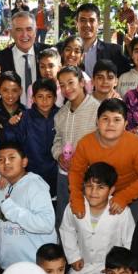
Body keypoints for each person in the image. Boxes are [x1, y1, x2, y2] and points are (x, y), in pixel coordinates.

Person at [68, 99, 138, 220]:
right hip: (96, 193)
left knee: (134, 229)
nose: (110, 124)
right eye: (105, 119)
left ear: (125, 124)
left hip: (131, 195)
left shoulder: (137, 145)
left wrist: (124, 197)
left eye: (117, 120)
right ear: (97, 122)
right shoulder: (85, 143)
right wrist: (77, 199)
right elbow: (76, 172)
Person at [59, 162, 135, 274]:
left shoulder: (122, 211)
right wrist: (73, 256)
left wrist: (117, 267)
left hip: (109, 273)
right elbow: (67, 230)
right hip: (81, 269)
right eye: (89, 186)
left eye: (101, 187)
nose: (93, 192)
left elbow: (129, 241)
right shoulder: (75, 205)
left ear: (111, 190)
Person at [0, 141, 57, 270]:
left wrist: (12, 210)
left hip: (34, 266)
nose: (6, 163)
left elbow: (46, 223)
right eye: (1, 160)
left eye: (12, 158)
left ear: (24, 162)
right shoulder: (1, 187)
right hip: (8, 266)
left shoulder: (35, 185)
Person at [51, 65, 99, 225]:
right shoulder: (61, 113)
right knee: (64, 220)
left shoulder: (97, 109)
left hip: (89, 176)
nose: (67, 89)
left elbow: (103, 141)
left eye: (71, 83)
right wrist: (59, 155)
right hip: (64, 175)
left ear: (82, 83)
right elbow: (57, 140)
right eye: (62, 85)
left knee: (87, 221)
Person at [5, 78, 59, 197]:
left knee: (55, 203)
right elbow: (12, 145)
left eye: (49, 96)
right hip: (31, 174)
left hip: (56, 174)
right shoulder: (24, 118)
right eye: (40, 96)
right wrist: (11, 126)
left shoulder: (61, 115)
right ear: (33, 98)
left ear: (55, 98)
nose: (44, 101)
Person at [0, 11, 51, 105]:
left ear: (35, 31)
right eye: (19, 30)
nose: (24, 34)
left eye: (29, 29)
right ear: (11, 33)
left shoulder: (48, 53)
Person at [68, 3, 130, 77]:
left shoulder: (114, 52)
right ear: (76, 23)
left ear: (99, 23)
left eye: (91, 20)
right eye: (83, 20)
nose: (87, 24)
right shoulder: (63, 50)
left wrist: (130, 47)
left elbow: (130, 72)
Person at [0, 71, 26, 166]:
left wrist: (7, 125)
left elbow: (25, 140)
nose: (10, 95)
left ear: (20, 90)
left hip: (17, 164)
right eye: (5, 90)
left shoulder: (25, 111)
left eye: (14, 90)